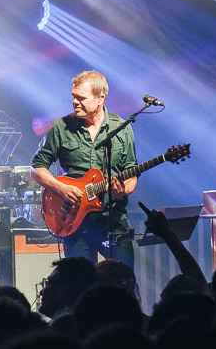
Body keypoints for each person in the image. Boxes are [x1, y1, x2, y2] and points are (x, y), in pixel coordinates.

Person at [31, 70, 137, 268]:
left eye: (81, 98)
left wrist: (123, 191)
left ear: (100, 99)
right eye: (73, 97)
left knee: (125, 280)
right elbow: (37, 167)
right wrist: (60, 188)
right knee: (80, 284)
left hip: (113, 222)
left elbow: (131, 171)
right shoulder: (61, 128)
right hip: (75, 221)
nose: (75, 102)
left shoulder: (122, 128)